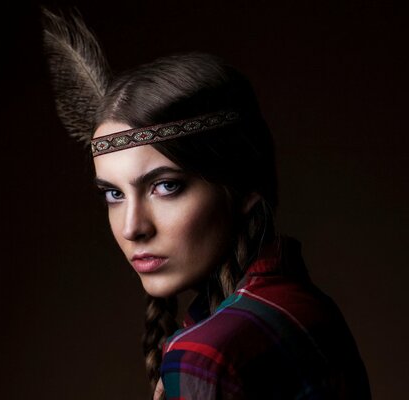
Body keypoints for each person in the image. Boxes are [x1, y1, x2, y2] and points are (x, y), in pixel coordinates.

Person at [42, 9, 371, 400]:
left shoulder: (208, 354)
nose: (132, 227)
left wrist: (196, 371)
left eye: (165, 186)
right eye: (114, 194)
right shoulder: (310, 308)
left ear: (244, 186)